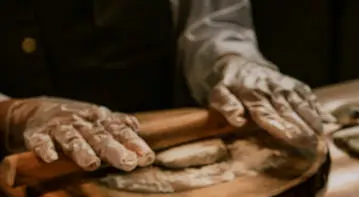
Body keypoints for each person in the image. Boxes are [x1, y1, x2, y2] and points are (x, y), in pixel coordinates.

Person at [0, 0, 327, 172]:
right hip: (21, 172)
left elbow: (210, 20)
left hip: (157, 149)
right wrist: (14, 113)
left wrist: (231, 62)